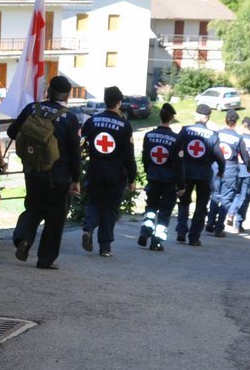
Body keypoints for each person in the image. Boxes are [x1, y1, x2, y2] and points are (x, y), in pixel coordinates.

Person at [7, 74, 81, 270]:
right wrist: (76, 179)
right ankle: (45, 259)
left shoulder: (33, 108)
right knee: (55, 218)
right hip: (60, 177)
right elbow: (75, 152)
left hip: (33, 172)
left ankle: (23, 239)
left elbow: (11, 132)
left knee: (33, 208)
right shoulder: (70, 118)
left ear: (48, 91)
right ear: (66, 96)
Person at [79, 86, 137, 257]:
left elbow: (82, 146)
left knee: (94, 203)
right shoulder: (124, 125)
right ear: (119, 103)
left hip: (95, 170)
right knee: (110, 209)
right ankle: (105, 247)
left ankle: (88, 228)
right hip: (116, 174)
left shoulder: (92, 121)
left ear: (105, 101)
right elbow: (129, 156)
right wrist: (132, 178)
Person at [174, 103, 220, 246]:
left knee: (183, 201)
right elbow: (219, 156)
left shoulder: (185, 130)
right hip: (204, 174)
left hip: (186, 172)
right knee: (201, 205)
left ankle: (181, 231)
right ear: (207, 118)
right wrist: (222, 169)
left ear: (196, 115)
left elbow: (175, 148)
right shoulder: (213, 135)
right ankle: (194, 237)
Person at [137, 103, 180, 251]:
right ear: (172, 118)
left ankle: (145, 231)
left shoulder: (149, 135)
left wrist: (149, 172)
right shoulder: (176, 139)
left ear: (159, 117)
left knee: (151, 206)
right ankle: (156, 242)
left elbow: (145, 158)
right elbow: (179, 164)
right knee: (165, 211)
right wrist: (181, 185)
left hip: (153, 176)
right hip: (169, 179)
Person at [210, 110, 245, 235]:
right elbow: (245, 157)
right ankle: (219, 228)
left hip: (215, 167)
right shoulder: (238, 138)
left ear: (225, 120)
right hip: (230, 169)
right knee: (226, 199)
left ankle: (210, 222)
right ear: (235, 123)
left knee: (215, 195)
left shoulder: (216, 134)